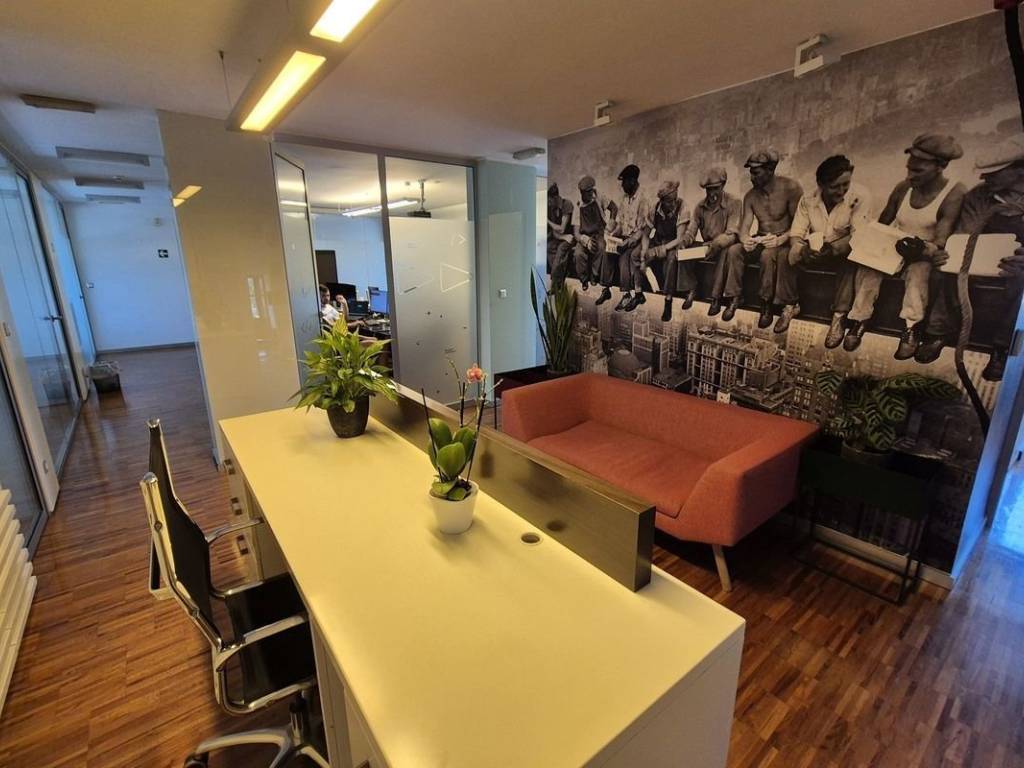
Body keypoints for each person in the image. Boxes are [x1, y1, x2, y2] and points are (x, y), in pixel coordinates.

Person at [843, 134, 966, 357]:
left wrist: (922, 249)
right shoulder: (903, 188)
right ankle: (859, 319)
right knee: (869, 266)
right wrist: (867, 244)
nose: (910, 175)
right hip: (895, 248)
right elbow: (882, 223)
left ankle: (911, 326)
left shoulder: (954, 193)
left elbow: (941, 240)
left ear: (941, 166)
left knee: (919, 272)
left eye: (918, 171)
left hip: (923, 254)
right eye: (909, 169)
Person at [914, 135, 1024, 380]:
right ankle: (937, 331)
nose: (984, 178)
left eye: (994, 173)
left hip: (1018, 267)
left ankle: (1002, 348)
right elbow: (965, 234)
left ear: (1018, 170)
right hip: (982, 258)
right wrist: (953, 252)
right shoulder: (978, 196)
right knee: (950, 265)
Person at [782, 155, 873, 340]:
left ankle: (839, 315)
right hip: (816, 250)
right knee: (786, 254)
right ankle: (790, 304)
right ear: (821, 185)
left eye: (845, 184)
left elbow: (859, 236)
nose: (841, 191)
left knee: (851, 261)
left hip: (844, 250)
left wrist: (833, 249)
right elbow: (797, 232)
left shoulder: (861, 196)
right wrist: (803, 249)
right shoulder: (808, 199)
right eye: (834, 186)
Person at [721, 150, 803, 328]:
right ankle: (734, 297)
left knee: (767, 255)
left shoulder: (791, 188)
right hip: (761, 238)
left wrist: (781, 239)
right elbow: (744, 227)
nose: (752, 177)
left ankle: (765, 304)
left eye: (756, 172)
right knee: (734, 251)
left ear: (770, 170)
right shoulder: (750, 196)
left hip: (784, 240)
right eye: (751, 172)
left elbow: (800, 225)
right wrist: (745, 240)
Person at [680, 167, 742, 320]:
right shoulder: (700, 207)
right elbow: (691, 230)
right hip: (707, 246)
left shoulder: (734, 203)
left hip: (724, 244)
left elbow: (732, 233)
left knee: (726, 252)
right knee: (683, 253)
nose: (712, 193)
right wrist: (685, 241)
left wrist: (715, 245)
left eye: (715, 188)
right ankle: (691, 288)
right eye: (709, 189)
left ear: (723, 185)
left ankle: (716, 298)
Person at [640, 180, 689, 321]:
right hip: (658, 240)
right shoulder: (655, 208)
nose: (672, 204)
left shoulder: (683, 207)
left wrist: (660, 250)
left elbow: (679, 238)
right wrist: (644, 251)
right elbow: (646, 234)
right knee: (638, 256)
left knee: (672, 260)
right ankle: (638, 292)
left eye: (674, 200)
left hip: (673, 244)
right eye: (668, 201)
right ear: (662, 201)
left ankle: (668, 300)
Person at [605, 164, 651, 312]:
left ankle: (637, 293)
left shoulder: (643, 199)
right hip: (625, 237)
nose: (622, 186)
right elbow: (620, 223)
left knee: (629, 256)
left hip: (640, 239)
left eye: (624, 182)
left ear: (632, 181)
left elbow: (643, 229)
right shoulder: (624, 199)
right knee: (616, 254)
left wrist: (628, 242)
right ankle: (625, 294)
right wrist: (613, 235)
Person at [573, 175, 614, 295]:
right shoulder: (578, 205)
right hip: (585, 235)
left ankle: (594, 276)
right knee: (578, 254)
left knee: (601, 247)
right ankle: (584, 279)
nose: (591, 194)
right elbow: (576, 233)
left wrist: (610, 225)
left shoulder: (599, 196)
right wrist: (585, 241)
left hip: (599, 233)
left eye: (591, 191)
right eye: (588, 192)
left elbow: (614, 208)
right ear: (582, 193)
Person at [546, 183, 574, 286]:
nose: (549, 204)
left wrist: (547, 220)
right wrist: (562, 237)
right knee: (549, 247)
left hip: (571, 238)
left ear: (556, 198)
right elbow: (555, 232)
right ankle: (559, 280)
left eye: (550, 201)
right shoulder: (552, 209)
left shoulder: (567, 204)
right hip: (561, 237)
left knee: (561, 249)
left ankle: (555, 282)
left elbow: (561, 229)